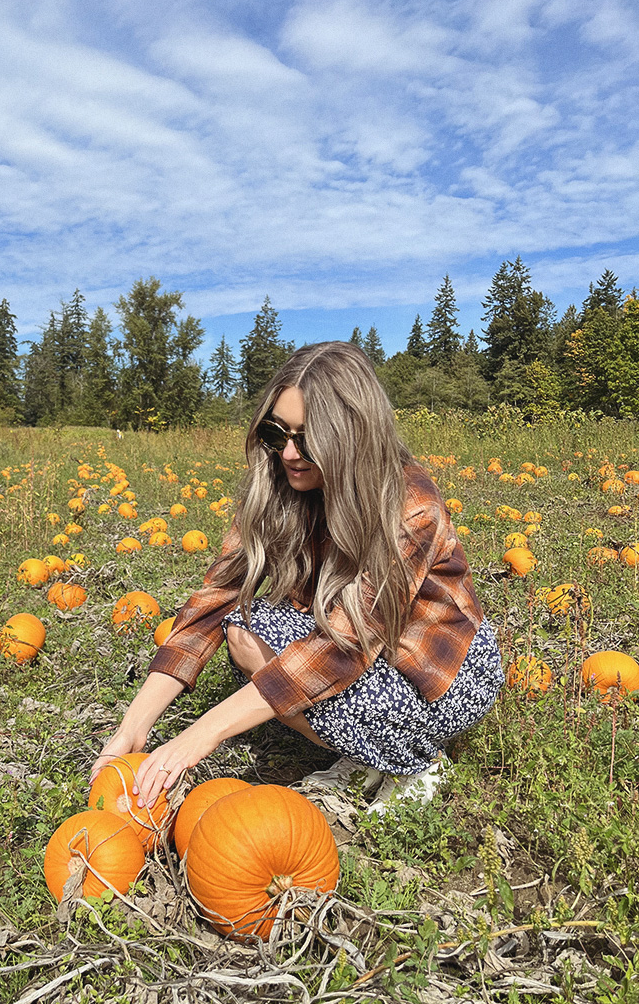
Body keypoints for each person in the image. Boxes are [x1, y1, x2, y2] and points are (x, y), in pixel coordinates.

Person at [90, 341, 503, 815]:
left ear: (352, 434)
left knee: (310, 665)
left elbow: (341, 649)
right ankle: (366, 749)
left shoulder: (409, 506)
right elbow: (214, 601)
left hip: (441, 673)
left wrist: (198, 737)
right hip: (363, 653)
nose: (288, 453)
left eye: (307, 438)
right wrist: (134, 725)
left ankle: (415, 763)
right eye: (276, 432)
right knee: (243, 628)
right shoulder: (281, 488)